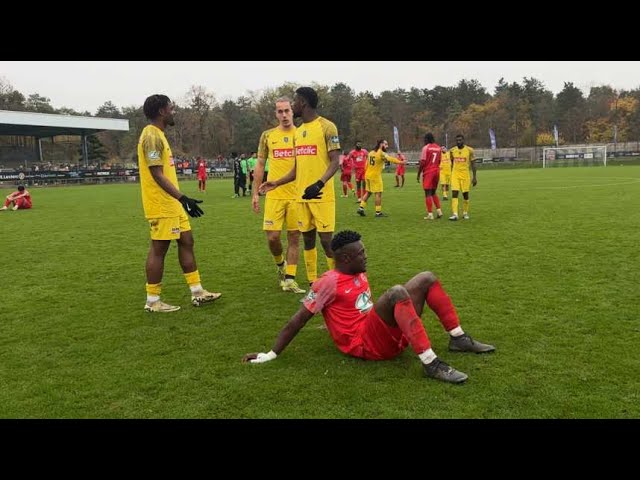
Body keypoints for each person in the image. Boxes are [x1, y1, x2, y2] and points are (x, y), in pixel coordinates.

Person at [243, 230, 495, 384]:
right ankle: (431, 364)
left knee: (426, 277)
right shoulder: (328, 282)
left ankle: (458, 338)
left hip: (382, 334)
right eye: (361, 253)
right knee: (397, 292)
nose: (366, 256)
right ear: (345, 259)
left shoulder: (356, 270)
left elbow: (355, 307)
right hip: (365, 345)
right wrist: (270, 354)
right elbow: (297, 321)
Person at [137, 94, 221, 313]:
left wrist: (179, 201)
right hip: (162, 204)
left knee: (187, 240)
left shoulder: (159, 135)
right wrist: (182, 197)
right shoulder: (152, 136)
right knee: (159, 248)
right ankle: (153, 301)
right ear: (162, 111)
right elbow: (156, 173)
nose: (173, 111)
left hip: (172, 204)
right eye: (171, 108)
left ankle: (197, 292)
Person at [260, 86, 341, 286]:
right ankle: (314, 282)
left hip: (321, 195)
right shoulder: (299, 132)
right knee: (308, 240)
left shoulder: (327, 127)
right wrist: (276, 182)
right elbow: (297, 169)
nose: (292, 106)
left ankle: (338, 282)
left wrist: (319, 184)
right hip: (301, 196)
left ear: (303, 103)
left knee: (326, 241)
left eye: (294, 102)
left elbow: (335, 161)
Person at [252, 96, 305, 294]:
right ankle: (280, 265)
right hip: (274, 194)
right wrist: (255, 193)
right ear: (276, 113)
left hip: (296, 196)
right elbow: (259, 164)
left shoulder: (301, 135)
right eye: (280, 111)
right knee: (273, 238)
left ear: (293, 111)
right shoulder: (267, 136)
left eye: (287, 111)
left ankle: (290, 279)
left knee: (294, 237)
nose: (284, 115)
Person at [357, 139, 405, 218]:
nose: (387, 146)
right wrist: (401, 162)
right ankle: (378, 213)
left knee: (368, 192)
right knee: (378, 194)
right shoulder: (382, 153)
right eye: (386, 144)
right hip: (375, 176)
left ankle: (361, 208)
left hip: (368, 175)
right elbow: (390, 158)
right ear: (381, 144)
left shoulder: (371, 152)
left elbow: (366, 165)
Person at [449, 134, 477, 221]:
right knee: (454, 193)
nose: (458, 142)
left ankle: (465, 213)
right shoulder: (452, 150)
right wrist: (452, 171)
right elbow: (451, 161)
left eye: (460, 140)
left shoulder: (470, 150)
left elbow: (473, 164)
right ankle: (455, 214)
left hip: (465, 175)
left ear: (463, 140)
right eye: (457, 140)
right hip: (455, 174)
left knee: (465, 194)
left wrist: (474, 177)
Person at [417, 133, 444, 220]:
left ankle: (430, 214)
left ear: (427, 139)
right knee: (433, 192)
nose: (424, 141)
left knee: (427, 193)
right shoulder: (438, 148)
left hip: (429, 172)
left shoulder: (426, 148)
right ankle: (439, 211)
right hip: (436, 171)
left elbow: (422, 162)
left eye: (425, 139)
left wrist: (418, 174)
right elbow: (439, 161)